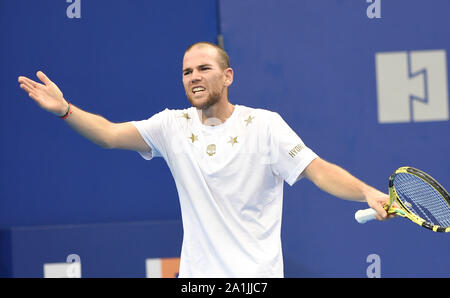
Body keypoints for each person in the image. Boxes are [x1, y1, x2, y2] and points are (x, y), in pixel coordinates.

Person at [18, 41, 392, 278]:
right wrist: (64, 109)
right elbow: (108, 135)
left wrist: (365, 192)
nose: (193, 77)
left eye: (203, 69)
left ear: (227, 76)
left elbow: (317, 170)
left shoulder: (264, 125)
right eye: (186, 71)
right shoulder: (170, 125)